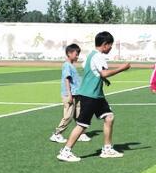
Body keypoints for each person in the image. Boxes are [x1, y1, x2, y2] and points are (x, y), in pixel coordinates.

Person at [56, 31, 131, 162]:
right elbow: (104, 73)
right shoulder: (99, 56)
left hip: (97, 95)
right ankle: (65, 151)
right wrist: (122, 68)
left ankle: (107, 149)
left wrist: (102, 80)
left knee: (109, 117)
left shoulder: (90, 55)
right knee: (82, 125)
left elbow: (91, 71)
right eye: (110, 45)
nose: (111, 48)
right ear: (105, 44)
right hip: (90, 95)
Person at [50, 43, 91, 143]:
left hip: (76, 94)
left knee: (79, 115)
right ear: (69, 53)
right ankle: (57, 134)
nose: (77, 56)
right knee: (68, 116)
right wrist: (69, 94)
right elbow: (67, 79)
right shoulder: (67, 65)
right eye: (76, 54)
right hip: (70, 95)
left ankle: (81, 133)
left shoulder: (72, 66)